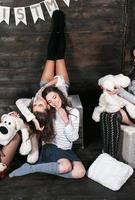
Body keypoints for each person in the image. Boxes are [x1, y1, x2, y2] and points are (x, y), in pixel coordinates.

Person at [9, 10, 86, 179]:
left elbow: (72, 136)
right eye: (48, 103)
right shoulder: (49, 109)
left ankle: (58, 27)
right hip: (60, 86)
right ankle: (58, 27)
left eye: (41, 103)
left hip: (47, 87)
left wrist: (44, 92)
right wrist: (36, 118)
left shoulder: (46, 102)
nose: (51, 102)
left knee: (80, 172)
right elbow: (24, 103)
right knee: (58, 57)